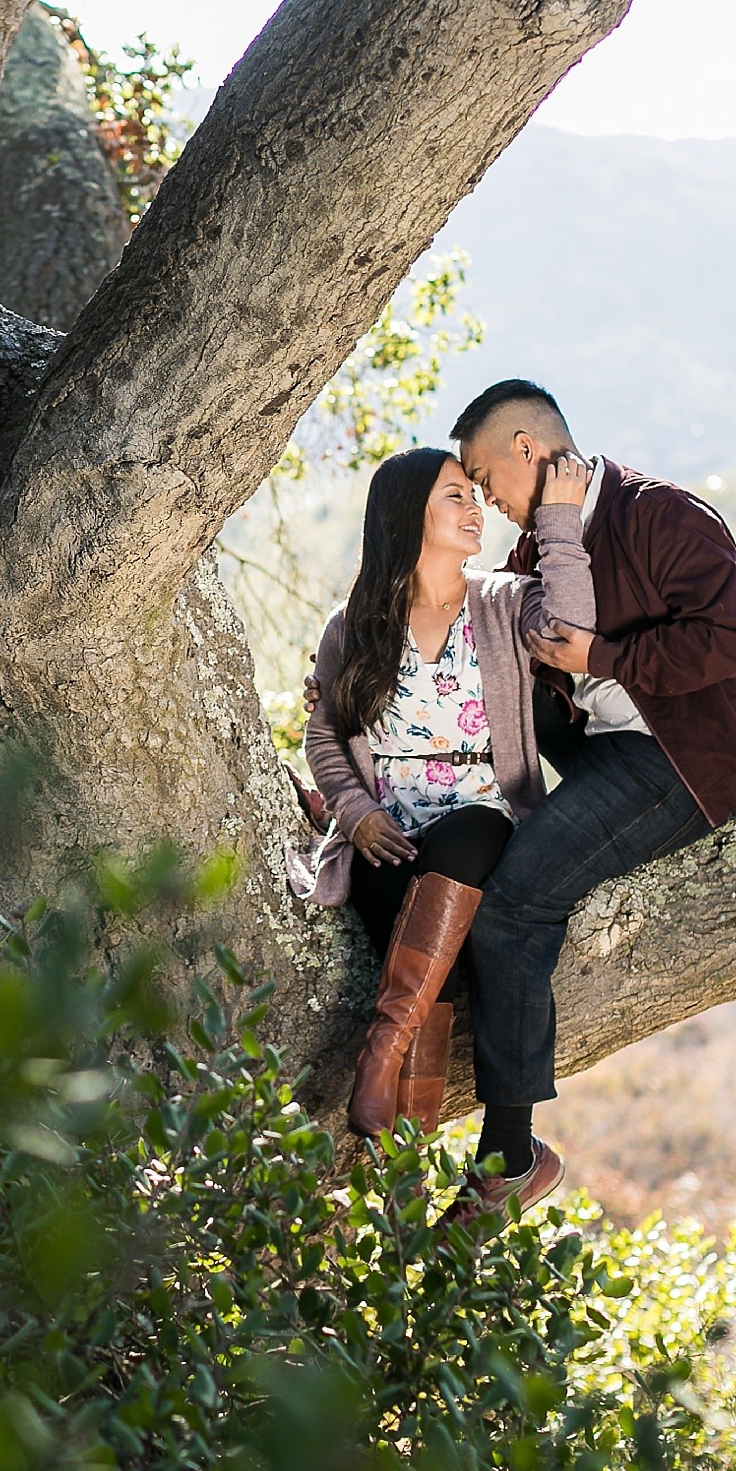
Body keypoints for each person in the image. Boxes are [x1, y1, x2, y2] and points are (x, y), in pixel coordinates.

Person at [433, 378, 736, 1230]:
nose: (489, 502)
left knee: (514, 904)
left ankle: (510, 1157)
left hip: (681, 756)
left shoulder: (662, 515)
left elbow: (729, 638)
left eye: (486, 480)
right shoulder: (531, 553)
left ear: (527, 449)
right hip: (597, 750)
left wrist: (605, 654)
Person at [290, 444, 595, 1169]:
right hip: (386, 826)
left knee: (469, 835)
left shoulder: (504, 602)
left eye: (473, 495)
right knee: (429, 949)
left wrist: (557, 520)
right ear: (407, 514)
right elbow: (325, 734)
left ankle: (382, 1052)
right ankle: (406, 1159)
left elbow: (574, 628)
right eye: (455, 495)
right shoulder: (353, 624)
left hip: (485, 809)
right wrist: (357, 813)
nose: (476, 508)